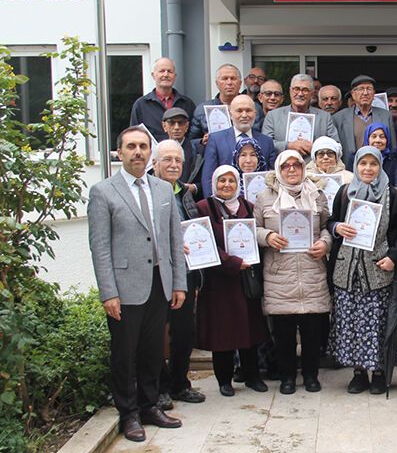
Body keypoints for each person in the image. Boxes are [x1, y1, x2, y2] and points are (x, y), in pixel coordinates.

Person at [87, 127, 187, 442]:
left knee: (152, 352)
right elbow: (100, 247)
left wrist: (178, 283)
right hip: (125, 286)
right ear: (120, 152)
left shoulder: (162, 189)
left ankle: (149, 405)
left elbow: (174, 240)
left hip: (160, 282)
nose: (138, 152)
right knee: (124, 354)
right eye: (131, 146)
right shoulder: (103, 192)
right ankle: (128, 413)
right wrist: (108, 292)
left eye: (143, 146)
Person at [328, 146, 397, 394]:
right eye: (363, 164)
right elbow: (331, 222)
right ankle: (358, 373)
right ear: (355, 167)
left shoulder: (392, 195)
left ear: (380, 167)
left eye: (372, 164)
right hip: (348, 271)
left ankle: (378, 372)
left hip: (377, 270)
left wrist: (393, 258)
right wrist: (337, 228)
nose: (367, 169)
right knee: (351, 323)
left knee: (377, 323)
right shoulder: (345, 193)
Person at [253, 150, 332, 395]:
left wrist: (325, 244)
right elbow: (253, 228)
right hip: (280, 274)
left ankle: (311, 375)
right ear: (278, 169)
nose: (291, 170)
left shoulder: (316, 195)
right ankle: (287, 377)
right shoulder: (265, 197)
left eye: (296, 165)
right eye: (285, 166)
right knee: (284, 334)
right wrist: (268, 236)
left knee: (312, 333)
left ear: (303, 168)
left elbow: (327, 227)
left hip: (311, 272)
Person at [195, 166, 270, 397]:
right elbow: (204, 242)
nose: (227, 185)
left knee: (249, 330)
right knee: (223, 333)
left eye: (231, 180)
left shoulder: (247, 206)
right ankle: (224, 380)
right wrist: (232, 262)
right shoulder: (203, 208)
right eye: (222, 181)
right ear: (214, 183)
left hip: (246, 280)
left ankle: (251, 376)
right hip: (220, 282)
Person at [151, 140, 206, 411]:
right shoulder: (148, 191)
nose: (173, 165)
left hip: (187, 272)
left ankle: (180, 383)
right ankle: (160, 388)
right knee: (159, 333)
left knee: (185, 332)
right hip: (158, 273)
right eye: (167, 160)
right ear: (155, 164)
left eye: (178, 161)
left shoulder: (185, 192)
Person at [201, 94, 277, 198]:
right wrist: (213, 206)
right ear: (230, 114)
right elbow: (208, 177)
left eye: (248, 110)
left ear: (255, 114)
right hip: (225, 204)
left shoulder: (266, 142)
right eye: (239, 111)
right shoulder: (215, 139)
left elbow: (273, 177)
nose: (244, 115)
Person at [262, 74, 340, 157]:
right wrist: (288, 145)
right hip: (283, 167)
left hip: (315, 168)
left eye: (305, 90)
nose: (300, 94)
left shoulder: (325, 117)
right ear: (290, 91)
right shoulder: (273, 116)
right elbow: (265, 144)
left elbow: (336, 145)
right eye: (296, 89)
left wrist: (316, 147)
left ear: (312, 93)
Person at [130, 57, 196, 142]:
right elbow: (134, 136)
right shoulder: (141, 105)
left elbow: (192, 135)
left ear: (175, 76)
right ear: (153, 75)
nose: (166, 75)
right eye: (162, 71)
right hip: (153, 154)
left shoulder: (187, 104)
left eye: (170, 71)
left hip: (180, 154)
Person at [332, 75, 395, 161]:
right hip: (349, 169)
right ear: (353, 94)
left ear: (373, 94)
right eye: (361, 89)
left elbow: (393, 147)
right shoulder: (339, 118)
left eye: (369, 89)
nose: (365, 93)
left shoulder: (386, 115)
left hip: (380, 166)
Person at [191, 63, 253, 141]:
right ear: (217, 83)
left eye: (233, 78)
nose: (229, 82)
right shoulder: (202, 110)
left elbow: (260, 137)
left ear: (240, 83)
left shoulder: (252, 107)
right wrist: (201, 142)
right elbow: (192, 141)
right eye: (225, 78)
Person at [347, 123, 397, 188]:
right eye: (374, 136)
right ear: (367, 138)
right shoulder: (356, 158)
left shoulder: (395, 158)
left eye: (382, 137)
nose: (378, 140)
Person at [160, 107, 203, 197]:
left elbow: (206, 179)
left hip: (190, 199)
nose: (176, 127)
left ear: (187, 126)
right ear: (164, 126)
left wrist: (194, 187)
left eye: (181, 123)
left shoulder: (198, 149)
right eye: (171, 123)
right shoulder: (158, 150)